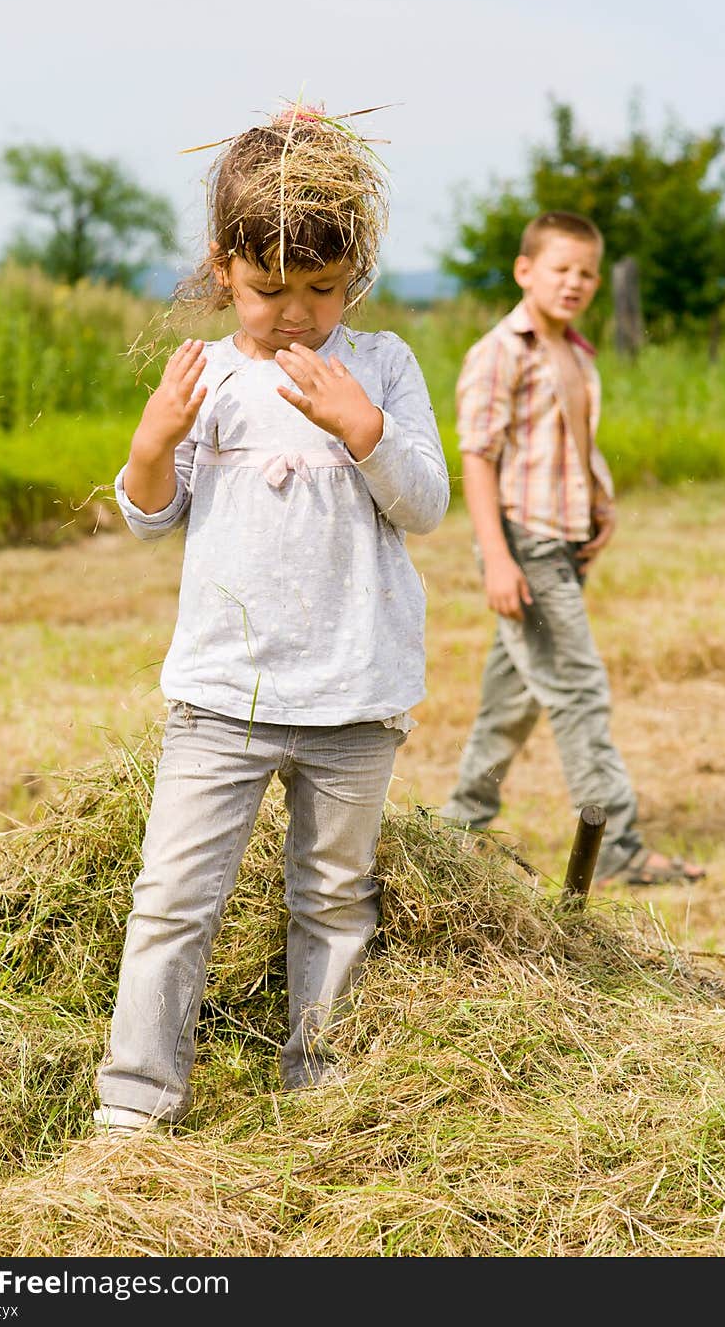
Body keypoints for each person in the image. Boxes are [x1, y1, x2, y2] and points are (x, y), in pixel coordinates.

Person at [93, 106, 450, 1135]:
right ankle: (137, 1102)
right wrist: (154, 443)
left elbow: (423, 504)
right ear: (219, 269)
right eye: (268, 289)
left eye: (322, 290)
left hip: (352, 693)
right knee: (172, 899)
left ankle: (319, 1085)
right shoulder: (208, 375)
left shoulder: (379, 367)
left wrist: (364, 429)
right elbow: (149, 516)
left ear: (360, 275)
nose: (295, 314)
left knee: (333, 900)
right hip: (222, 694)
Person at [439, 209, 705, 890]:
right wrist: (497, 559)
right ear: (526, 271)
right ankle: (616, 848)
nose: (576, 282)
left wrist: (601, 505)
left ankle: (458, 826)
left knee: (512, 701)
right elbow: (478, 459)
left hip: (567, 542)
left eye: (587, 272)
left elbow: (572, 447)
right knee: (579, 689)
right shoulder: (500, 352)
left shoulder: (577, 353)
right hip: (526, 548)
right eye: (561, 269)